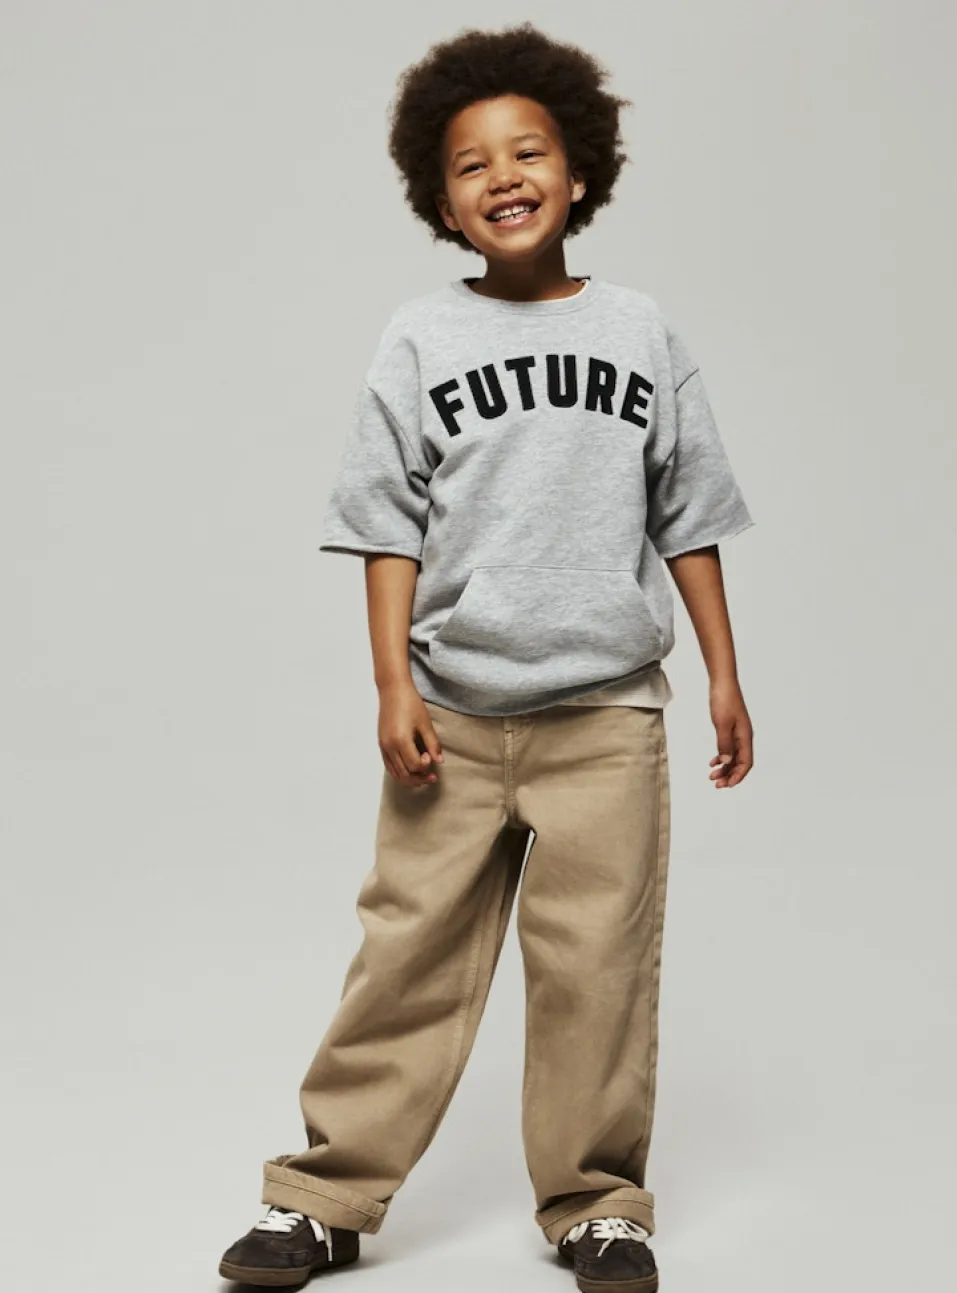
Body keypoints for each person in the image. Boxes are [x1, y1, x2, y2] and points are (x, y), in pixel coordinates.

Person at [219, 20, 754, 1293]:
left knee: (596, 971)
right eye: (471, 164)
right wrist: (391, 684)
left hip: (606, 719)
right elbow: (384, 525)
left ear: (580, 171)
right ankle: (325, 1197)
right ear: (441, 200)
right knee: (404, 956)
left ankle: (597, 1205)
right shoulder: (420, 339)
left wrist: (725, 676)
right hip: (452, 717)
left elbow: (688, 515)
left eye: (529, 152)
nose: (503, 176)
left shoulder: (640, 332)